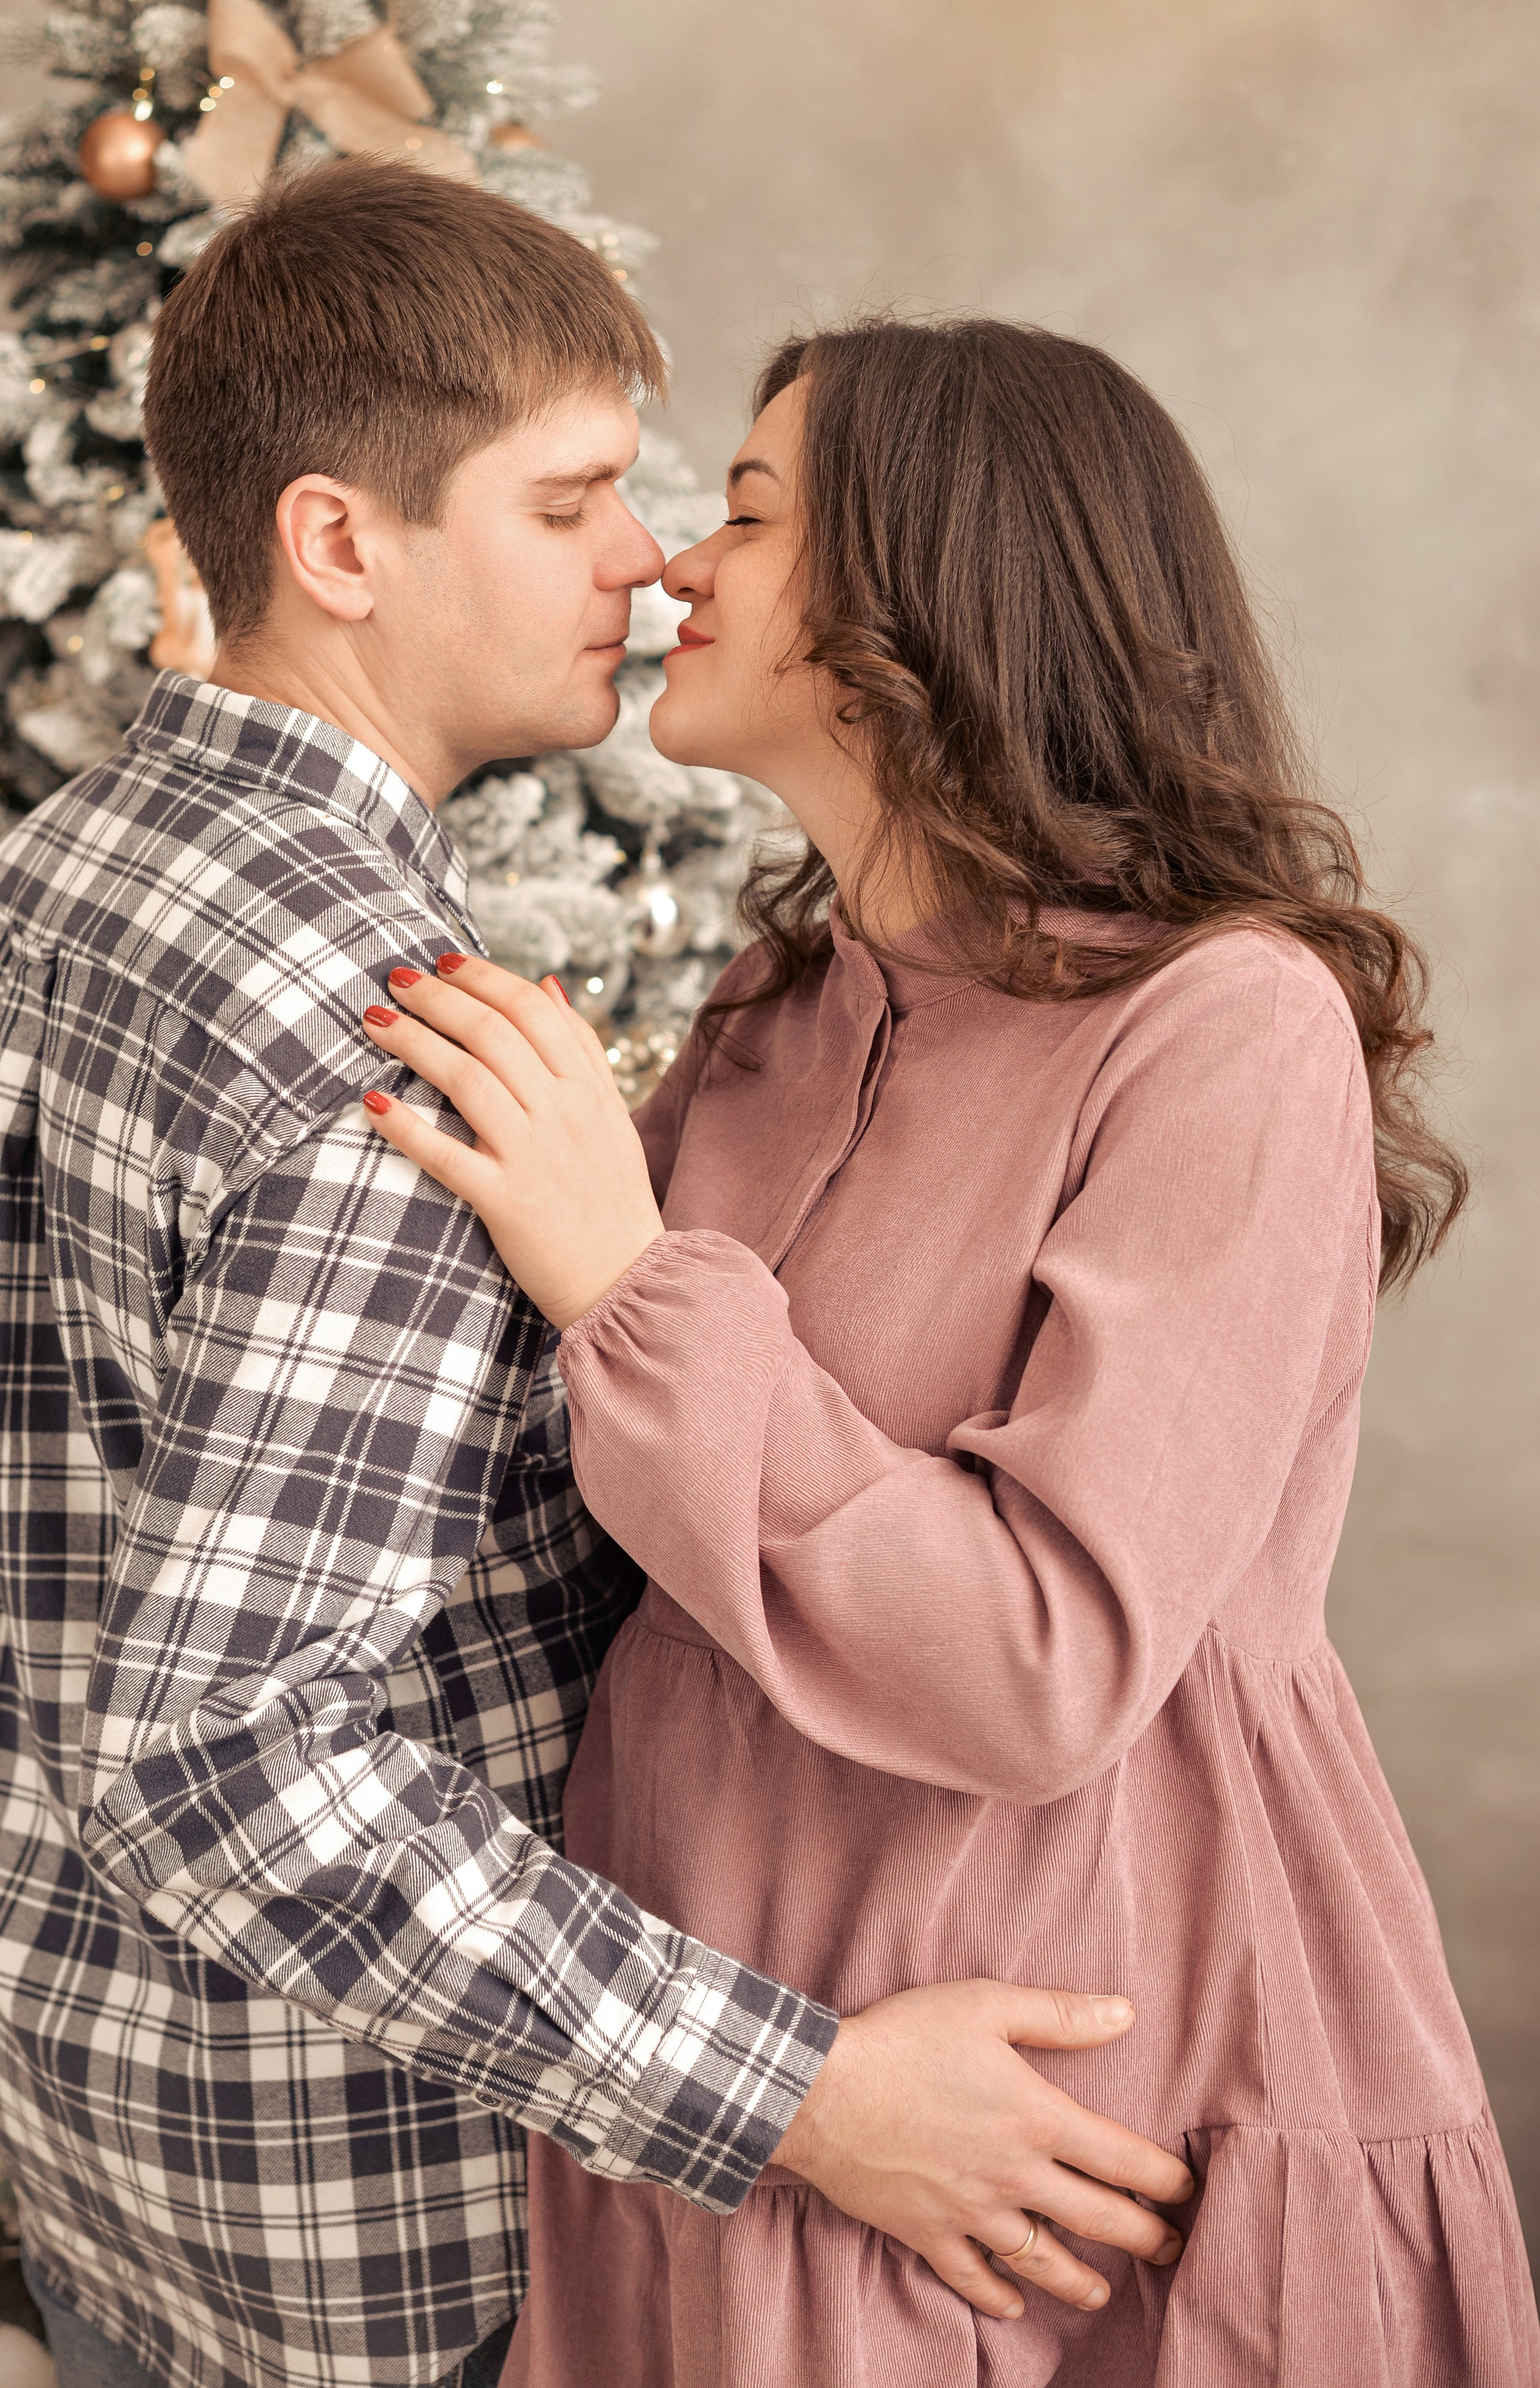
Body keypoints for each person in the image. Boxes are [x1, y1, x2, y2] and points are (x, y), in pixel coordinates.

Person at [0, 172, 1195, 2388]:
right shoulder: (398, 1034)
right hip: (382, 2251)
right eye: (566, 506)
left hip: (94, 2172)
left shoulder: (30, 889)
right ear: (340, 544)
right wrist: (802, 2093)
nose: (643, 558)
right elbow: (222, 1761)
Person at [352, 317, 1540, 2387]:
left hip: (1064, 2095)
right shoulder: (768, 1013)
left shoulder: (1222, 1026)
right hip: (736, 2081)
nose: (673, 563)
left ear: (929, 585)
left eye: (745, 513)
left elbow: (1039, 1655)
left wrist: (632, 1284)